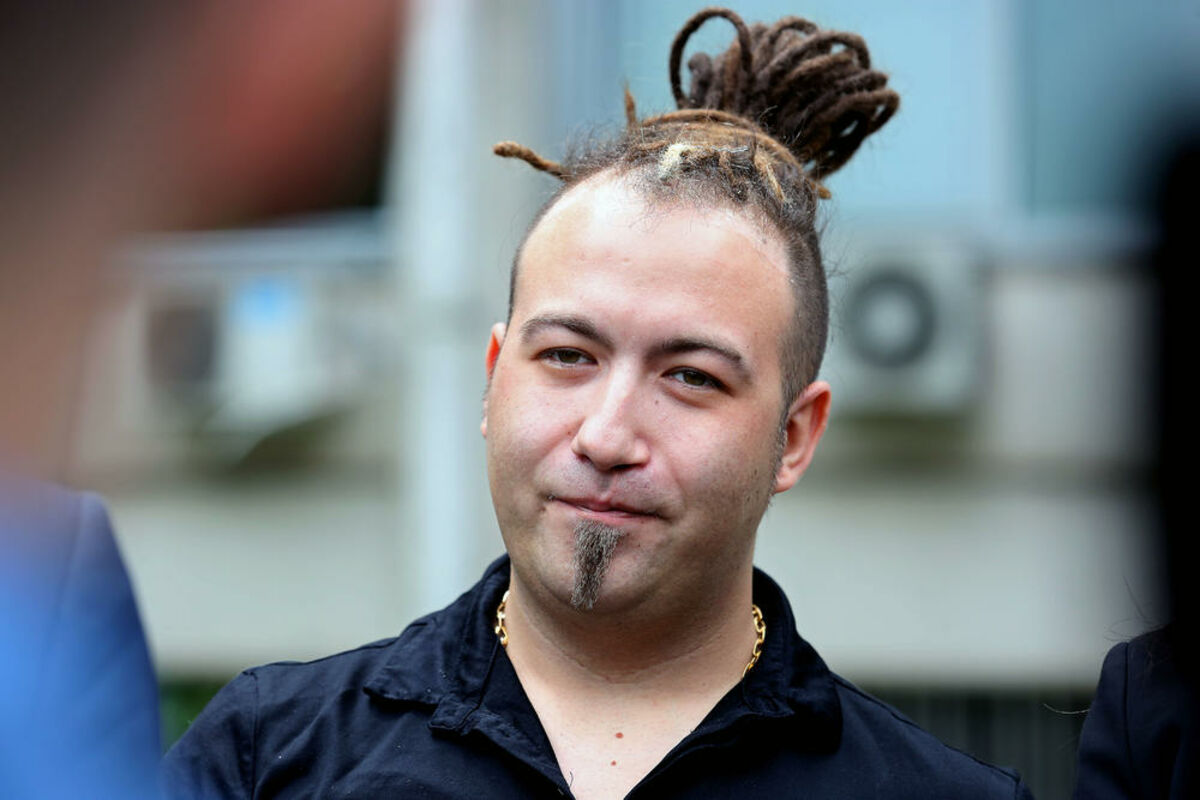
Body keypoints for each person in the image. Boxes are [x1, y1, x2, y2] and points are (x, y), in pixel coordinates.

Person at [162, 9, 1034, 798]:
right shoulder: (266, 759)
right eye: (567, 357)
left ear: (795, 436)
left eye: (691, 376)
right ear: (493, 378)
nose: (608, 436)